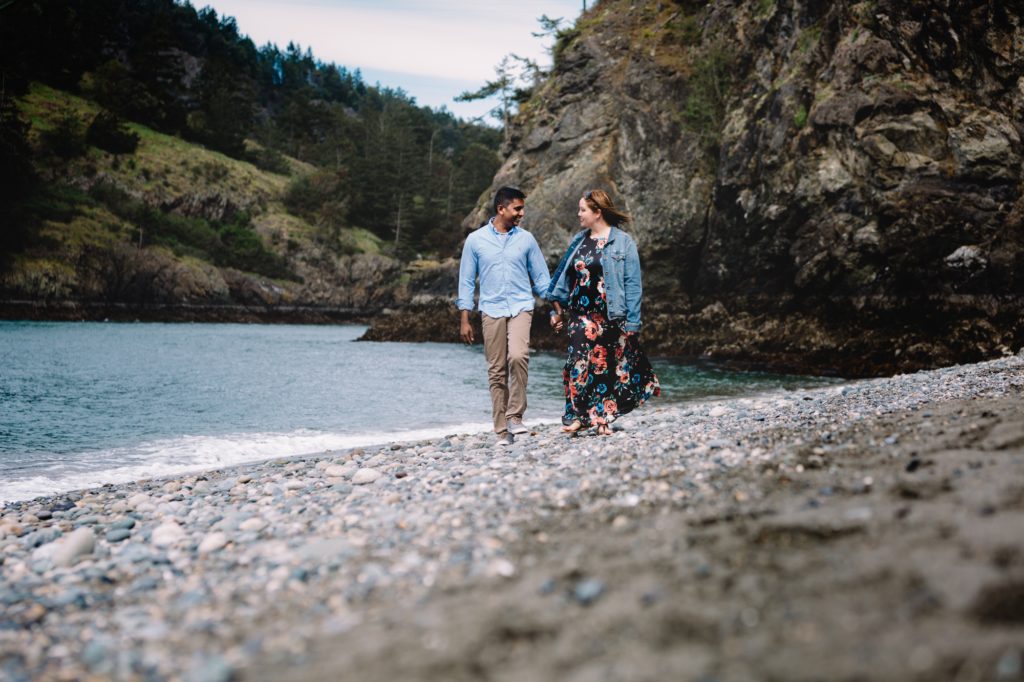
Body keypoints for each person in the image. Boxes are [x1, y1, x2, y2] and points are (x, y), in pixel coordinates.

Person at [546, 189, 660, 436]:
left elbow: (632, 284)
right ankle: (576, 416)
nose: (579, 214)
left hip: (611, 316)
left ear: (597, 212)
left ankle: (601, 420)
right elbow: (564, 278)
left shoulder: (623, 242)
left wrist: (632, 322)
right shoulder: (579, 240)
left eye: (583, 210)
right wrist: (556, 310)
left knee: (604, 366)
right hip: (580, 314)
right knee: (576, 363)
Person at [457, 186, 552, 446]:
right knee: (496, 371)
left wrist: (557, 306)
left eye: (522, 208)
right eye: (517, 209)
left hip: (521, 305)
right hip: (491, 309)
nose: (521, 213)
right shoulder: (475, 241)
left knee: (519, 356)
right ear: (501, 209)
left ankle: (515, 416)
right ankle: (501, 431)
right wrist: (465, 319)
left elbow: (542, 279)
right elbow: (466, 282)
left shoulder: (527, 239)